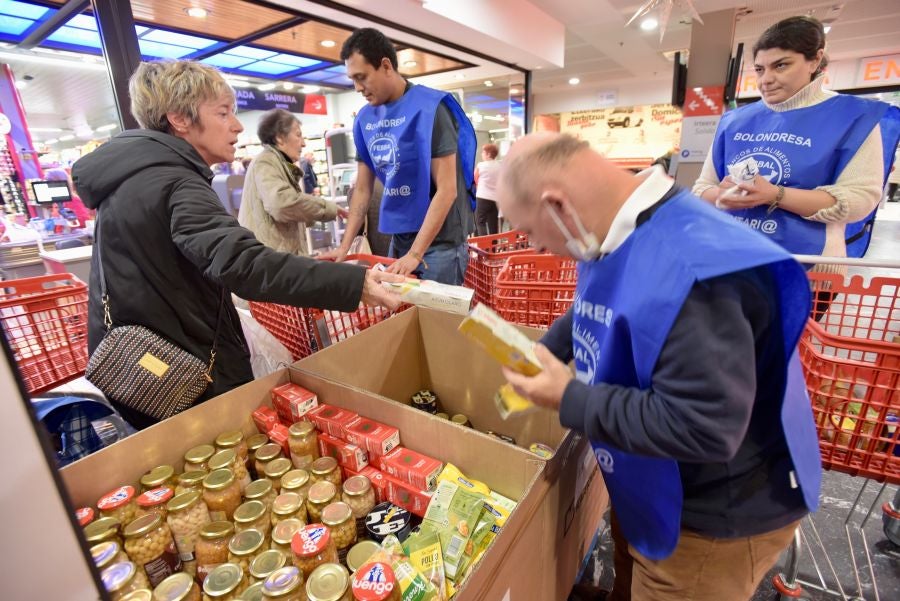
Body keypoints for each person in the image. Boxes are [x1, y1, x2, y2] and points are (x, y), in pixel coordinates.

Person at [498, 133, 821, 601]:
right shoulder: (614, 226)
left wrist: (569, 397)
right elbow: (606, 292)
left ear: (558, 206)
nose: (536, 246)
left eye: (528, 231)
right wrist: (548, 347)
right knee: (629, 572)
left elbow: (705, 427)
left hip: (712, 516)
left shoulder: (694, 272)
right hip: (650, 479)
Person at [72, 60, 400, 430]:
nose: (238, 125)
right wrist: (353, 283)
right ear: (179, 118)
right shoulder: (174, 182)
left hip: (147, 369)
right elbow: (242, 263)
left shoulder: (133, 177)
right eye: (223, 112)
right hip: (185, 375)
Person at [693, 16, 900, 261]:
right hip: (730, 258)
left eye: (781, 65)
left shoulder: (852, 117)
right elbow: (702, 188)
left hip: (810, 265)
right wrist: (722, 196)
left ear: (814, 60)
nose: (765, 79)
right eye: (760, 69)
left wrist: (775, 195)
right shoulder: (735, 121)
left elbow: (859, 199)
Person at [319, 27, 477, 285]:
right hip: (401, 239)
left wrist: (416, 253)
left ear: (385, 65)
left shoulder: (431, 109)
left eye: (362, 77)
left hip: (440, 244)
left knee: (434, 322)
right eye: (352, 80)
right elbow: (362, 188)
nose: (358, 88)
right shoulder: (365, 119)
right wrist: (345, 247)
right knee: (403, 319)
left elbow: (447, 189)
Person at [239, 109, 346, 255]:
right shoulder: (266, 162)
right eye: (298, 135)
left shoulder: (275, 163)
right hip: (271, 265)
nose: (303, 143)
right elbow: (281, 205)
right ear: (280, 138)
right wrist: (328, 208)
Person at [474, 143, 501, 235]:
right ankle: (493, 248)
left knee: (480, 222)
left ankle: (483, 246)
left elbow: (475, 180)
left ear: (488, 154)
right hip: (495, 199)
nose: (482, 154)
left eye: (483, 152)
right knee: (493, 224)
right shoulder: (500, 166)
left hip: (482, 197)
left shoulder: (480, 165)